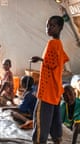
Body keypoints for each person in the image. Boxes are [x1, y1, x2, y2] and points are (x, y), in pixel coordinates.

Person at [30, 15, 69, 144]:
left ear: (60, 27)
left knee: (41, 120)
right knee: (54, 120)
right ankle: (57, 139)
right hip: (55, 90)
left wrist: (41, 60)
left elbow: (52, 63)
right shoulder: (59, 44)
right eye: (47, 25)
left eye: (52, 25)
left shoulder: (52, 43)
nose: (48, 28)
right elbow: (59, 61)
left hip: (46, 90)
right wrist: (41, 60)